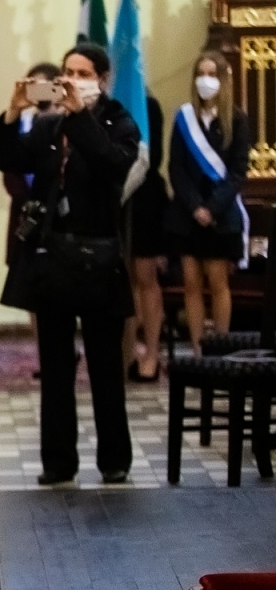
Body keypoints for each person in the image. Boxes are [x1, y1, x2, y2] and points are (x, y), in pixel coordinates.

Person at [0, 43, 139, 485]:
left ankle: (114, 459)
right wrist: (12, 114)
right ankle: (58, 462)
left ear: (103, 80)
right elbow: (4, 157)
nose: (71, 79)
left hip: (98, 257)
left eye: (82, 73)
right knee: (55, 366)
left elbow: (113, 165)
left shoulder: (119, 122)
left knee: (105, 365)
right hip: (52, 257)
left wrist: (80, 116)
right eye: (67, 71)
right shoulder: (49, 125)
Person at [165, 49, 252, 353]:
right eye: (201, 74)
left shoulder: (237, 120)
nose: (206, 80)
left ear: (223, 79)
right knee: (191, 285)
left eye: (212, 74)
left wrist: (212, 208)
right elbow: (175, 167)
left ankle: (220, 350)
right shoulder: (184, 118)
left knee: (218, 285)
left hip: (221, 215)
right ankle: (199, 350)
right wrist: (195, 207)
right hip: (188, 214)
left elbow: (238, 171)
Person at [2, 63, 60, 372]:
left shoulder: (64, 121)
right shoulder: (22, 123)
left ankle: (63, 347)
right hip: (25, 214)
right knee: (31, 288)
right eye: (33, 85)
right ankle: (43, 353)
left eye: (45, 85)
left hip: (57, 216)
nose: (40, 91)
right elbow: (8, 169)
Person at [126, 93, 168, 382]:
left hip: (145, 197)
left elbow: (154, 157)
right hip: (114, 198)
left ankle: (151, 354)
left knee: (145, 277)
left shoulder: (148, 105)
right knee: (122, 281)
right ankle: (127, 352)